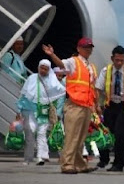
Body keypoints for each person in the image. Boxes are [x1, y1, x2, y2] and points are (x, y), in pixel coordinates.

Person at [42, 37, 98, 174]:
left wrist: (95, 106)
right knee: (72, 136)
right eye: (85, 47)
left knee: (80, 138)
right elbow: (62, 65)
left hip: (86, 106)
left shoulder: (90, 66)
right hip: (74, 105)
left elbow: (92, 88)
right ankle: (67, 164)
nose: (88, 50)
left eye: (90, 47)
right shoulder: (74, 61)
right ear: (79, 49)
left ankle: (80, 164)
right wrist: (52, 55)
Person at [16, 59, 66, 166]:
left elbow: (61, 90)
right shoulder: (31, 78)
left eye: (46, 69)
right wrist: (18, 109)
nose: (43, 71)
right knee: (30, 133)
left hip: (44, 110)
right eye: (41, 68)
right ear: (38, 67)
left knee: (42, 133)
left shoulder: (52, 81)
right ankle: (28, 158)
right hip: (29, 109)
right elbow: (24, 93)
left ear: (49, 70)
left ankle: (40, 157)